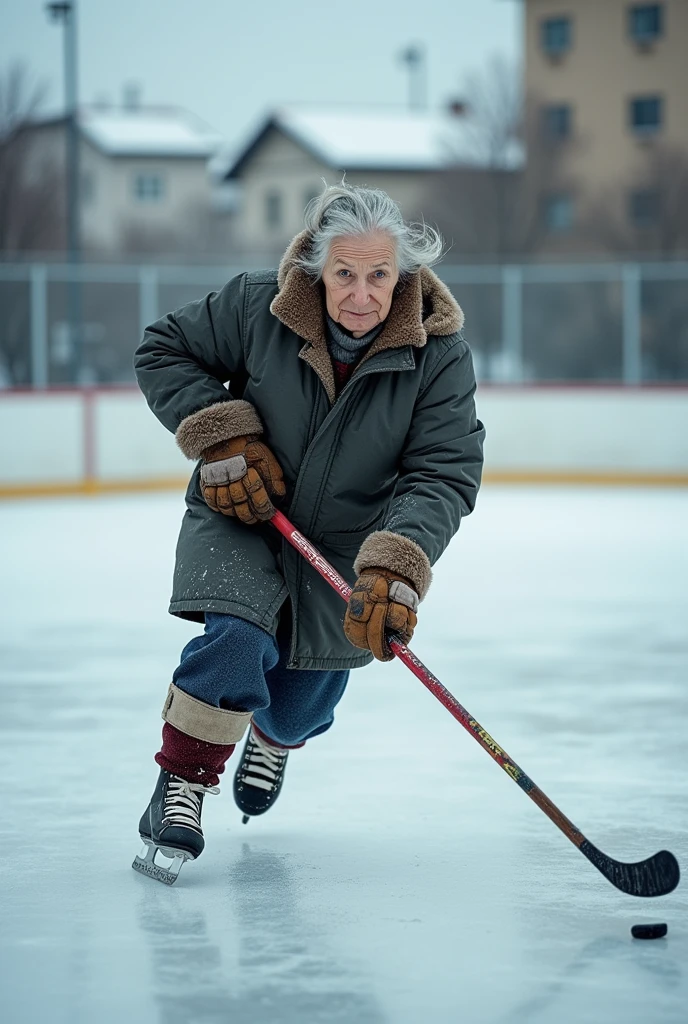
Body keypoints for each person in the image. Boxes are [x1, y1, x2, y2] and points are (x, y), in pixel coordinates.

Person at [132, 182, 485, 882]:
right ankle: (183, 785)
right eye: (344, 274)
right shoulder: (257, 304)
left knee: (298, 708)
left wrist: (396, 565)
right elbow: (163, 349)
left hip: (348, 546)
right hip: (246, 510)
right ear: (317, 269)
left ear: (403, 274)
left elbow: (443, 471)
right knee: (235, 642)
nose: (360, 294)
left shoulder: (438, 356)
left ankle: (273, 739)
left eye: (378, 275)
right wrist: (221, 437)